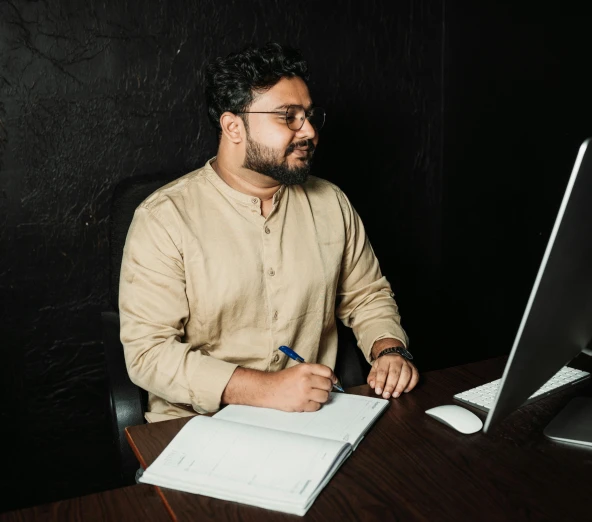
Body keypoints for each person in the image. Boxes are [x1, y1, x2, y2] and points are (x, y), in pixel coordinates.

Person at [119, 42, 418, 422]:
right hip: (199, 423)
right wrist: (265, 388)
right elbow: (148, 354)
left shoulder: (331, 202)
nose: (308, 131)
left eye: (308, 115)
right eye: (287, 117)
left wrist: (389, 350)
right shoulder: (164, 218)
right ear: (233, 126)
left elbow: (367, 295)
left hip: (315, 414)